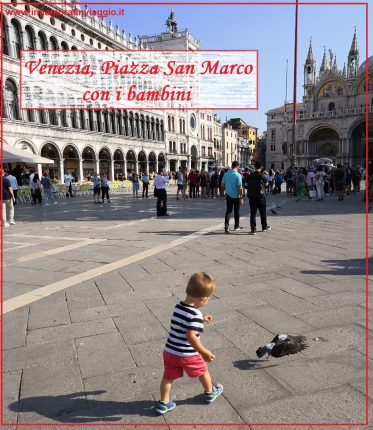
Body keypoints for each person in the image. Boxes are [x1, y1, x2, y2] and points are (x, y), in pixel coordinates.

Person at [156, 272, 223, 415]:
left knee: (167, 377)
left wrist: (202, 320)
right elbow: (191, 336)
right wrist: (204, 352)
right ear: (203, 299)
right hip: (187, 354)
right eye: (208, 299)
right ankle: (210, 392)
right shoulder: (195, 315)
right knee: (203, 370)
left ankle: (164, 403)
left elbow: (184, 322)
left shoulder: (178, 307)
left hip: (170, 352)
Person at [246, 161, 271, 235]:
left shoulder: (249, 176)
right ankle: (264, 227)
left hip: (252, 197)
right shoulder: (262, 175)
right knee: (263, 213)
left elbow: (246, 186)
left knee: (253, 213)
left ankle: (253, 230)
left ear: (254, 167)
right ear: (261, 167)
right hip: (261, 197)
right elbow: (267, 185)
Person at [222, 160, 243, 234]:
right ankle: (236, 226)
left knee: (228, 211)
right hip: (236, 196)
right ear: (237, 167)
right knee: (236, 211)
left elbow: (222, 185)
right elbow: (240, 187)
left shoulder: (226, 174)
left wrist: (225, 193)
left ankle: (226, 227)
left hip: (228, 195)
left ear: (232, 166)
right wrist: (241, 197)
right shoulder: (238, 175)